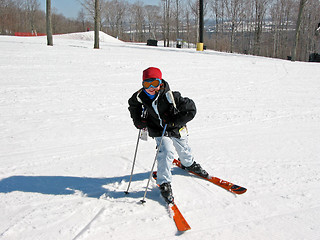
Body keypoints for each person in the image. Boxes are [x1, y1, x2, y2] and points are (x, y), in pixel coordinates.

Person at [128, 67, 208, 204]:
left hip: (175, 127)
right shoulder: (140, 96)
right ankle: (164, 182)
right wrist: (138, 121)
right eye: (147, 84)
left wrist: (174, 122)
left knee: (183, 149)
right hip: (158, 129)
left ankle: (188, 164)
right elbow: (133, 105)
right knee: (165, 151)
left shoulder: (171, 96)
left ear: (161, 83)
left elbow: (191, 109)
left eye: (154, 83)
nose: (151, 88)